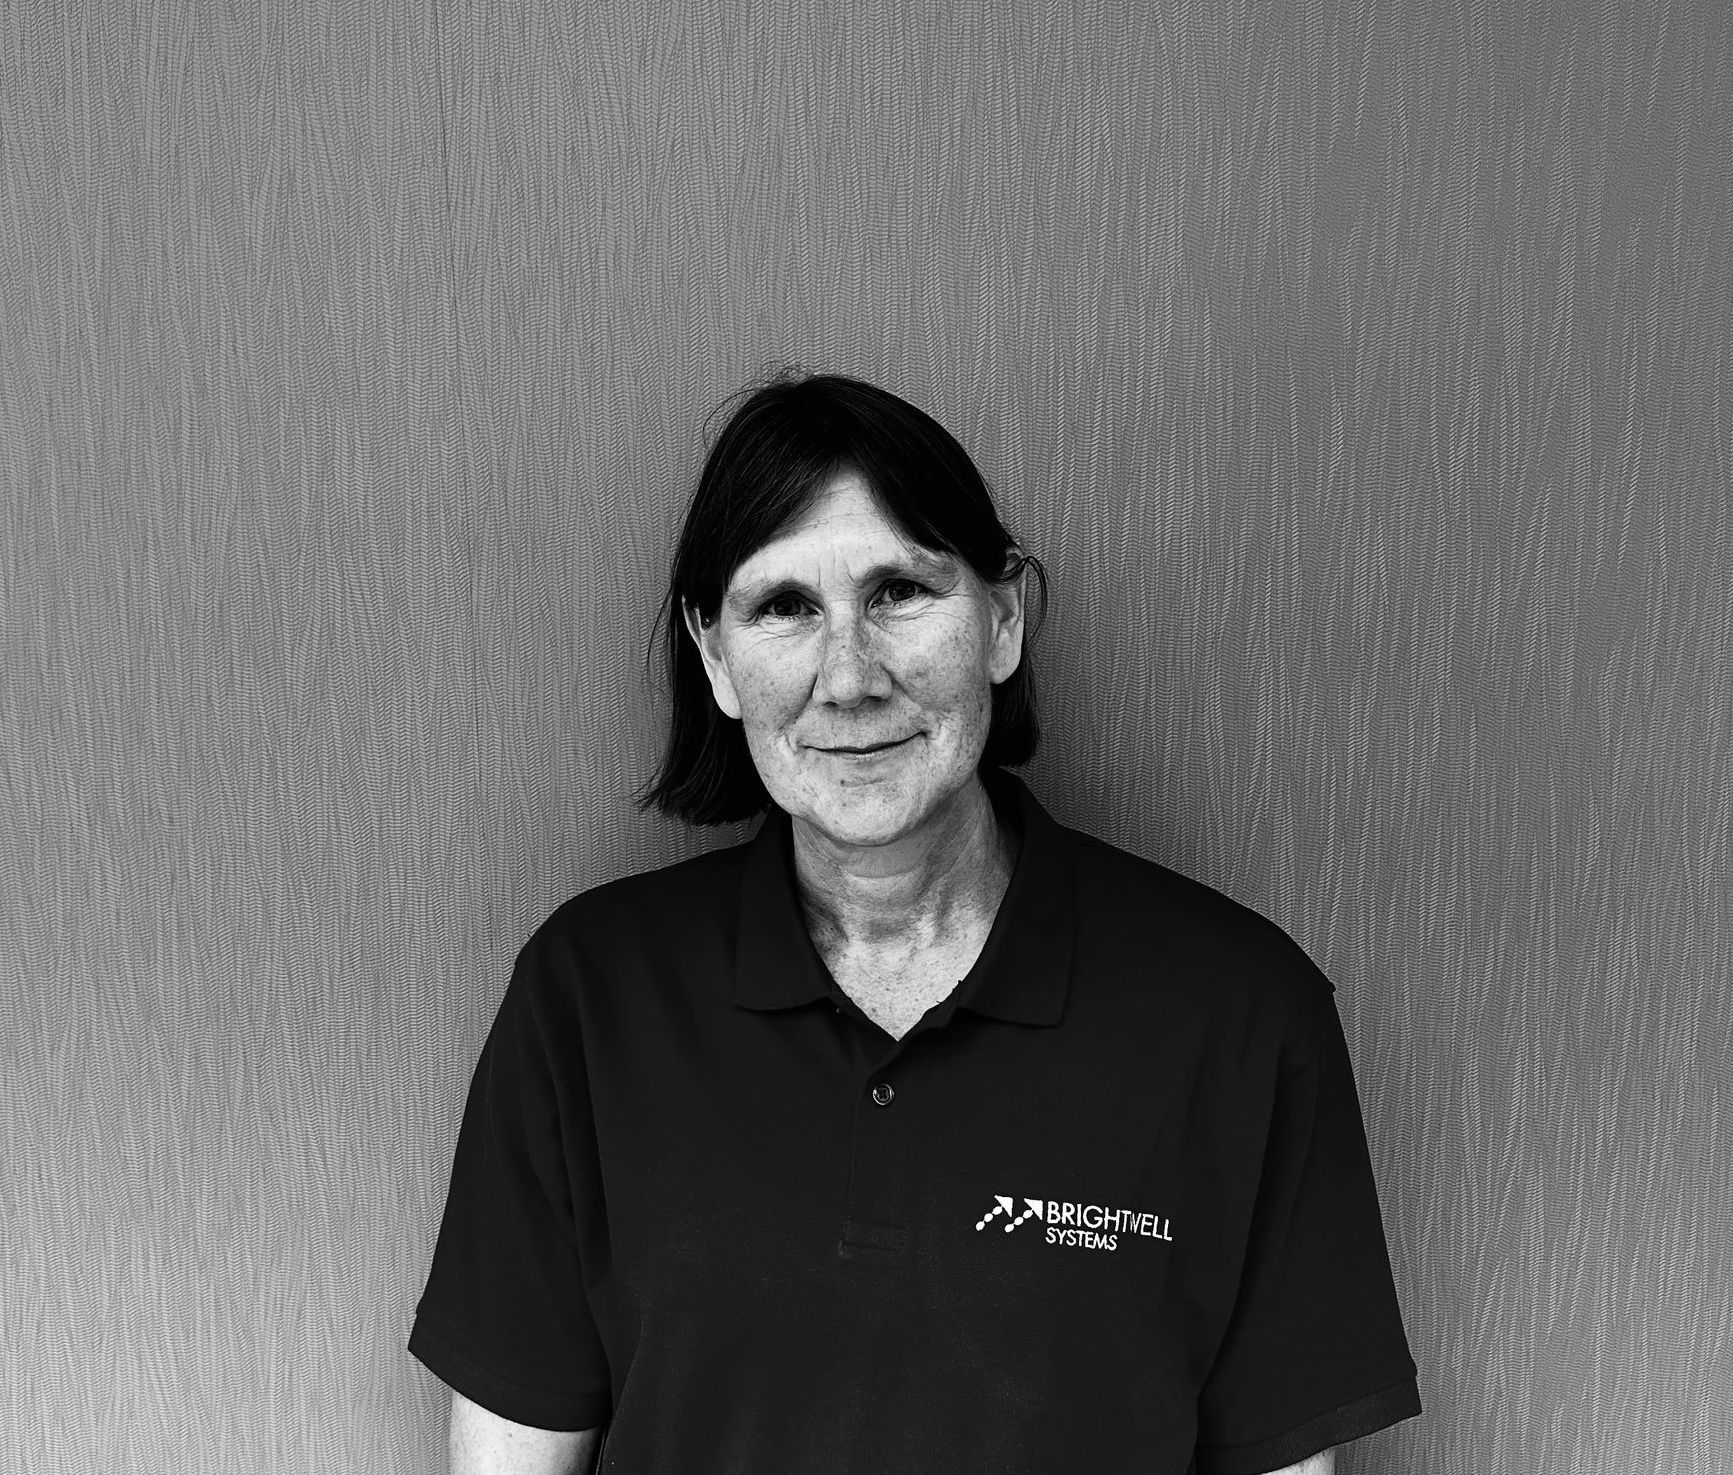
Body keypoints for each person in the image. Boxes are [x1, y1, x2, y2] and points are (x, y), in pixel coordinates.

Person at [408, 373, 1422, 1474]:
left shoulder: (1237, 1014)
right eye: (782, 605)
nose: (846, 676)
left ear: (999, 621)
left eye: (897, 590)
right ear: (716, 658)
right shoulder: (589, 995)